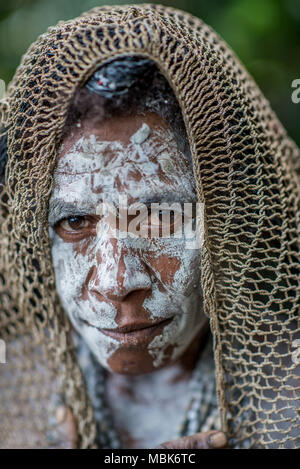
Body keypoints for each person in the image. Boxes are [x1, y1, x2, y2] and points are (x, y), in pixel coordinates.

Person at [0, 4, 299, 449]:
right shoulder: (12, 394)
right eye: (75, 221)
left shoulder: (288, 404)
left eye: (159, 217)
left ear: (225, 219)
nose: (116, 281)